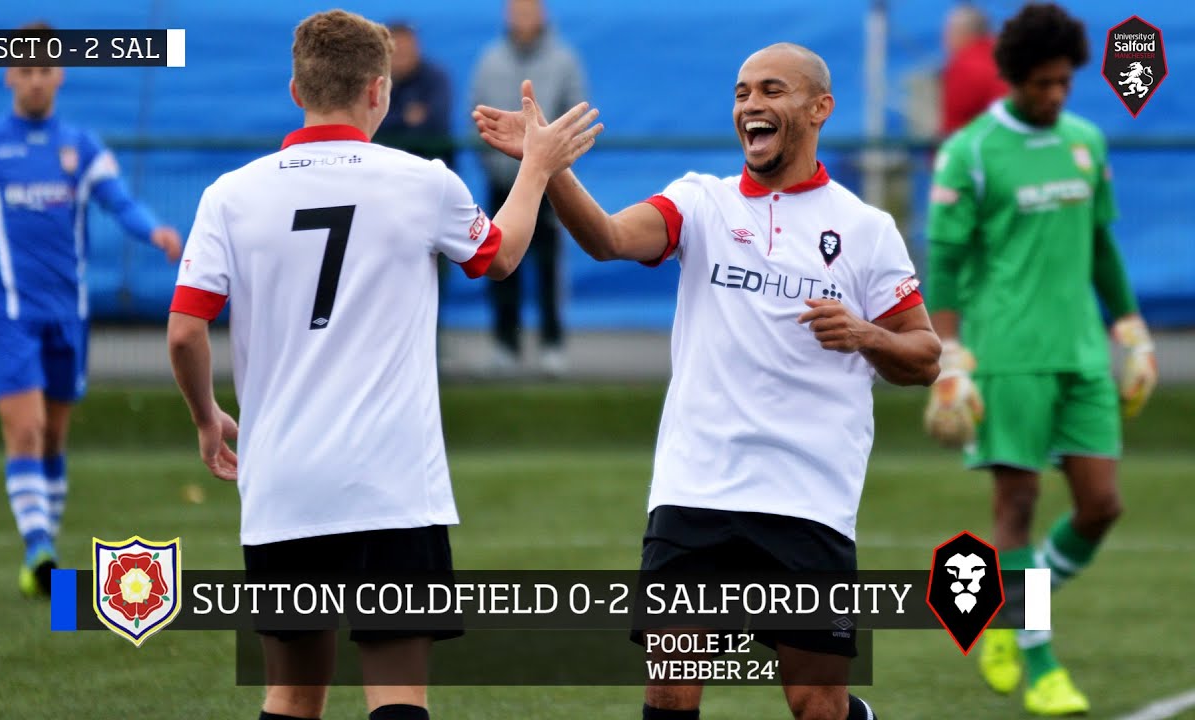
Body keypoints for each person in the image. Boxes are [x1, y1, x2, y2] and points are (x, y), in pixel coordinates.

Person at [475, 43, 941, 720]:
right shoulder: (700, 203)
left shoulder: (866, 230)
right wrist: (548, 170)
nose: (751, 105)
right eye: (741, 92)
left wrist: (866, 333)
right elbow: (606, 238)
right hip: (696, 490)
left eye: (771, 90)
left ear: (819, 109)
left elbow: (924, 356)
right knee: (670, 689)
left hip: (808, 498)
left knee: (815, 702)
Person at [166, 10, 600, 720]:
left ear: (294, 88)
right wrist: (538, 165)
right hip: (392, 484)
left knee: (291, 694)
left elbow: (186, 332)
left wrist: (206, 418)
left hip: (283, 484)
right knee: (398, 696)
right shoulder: (420, 180)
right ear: (380, 91)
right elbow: (502, 256)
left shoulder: (230, 195)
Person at [923, 3, 1157, 715]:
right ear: (1014, 79)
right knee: (1017, 504)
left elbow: (1101, 245)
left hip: (1082, 352)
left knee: (1101, 505)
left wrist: (1131, 329)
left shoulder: (1087, 142)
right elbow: (947, 260)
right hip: (1005, 353)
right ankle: (1043, 663)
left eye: (1065, 82)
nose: (1056, 95)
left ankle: (1002, 611)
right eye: (1042, 84)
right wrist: (950, 355)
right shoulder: (971, 151)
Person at [0, 21, 182, 599]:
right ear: (9, 76)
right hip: (4, 312)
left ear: (60, 74)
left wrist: (156, 233)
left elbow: (119, 203)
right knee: (26, 430)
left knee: (53, 438)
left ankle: (45, 541)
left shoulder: (82, 146)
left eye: (44, 69)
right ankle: (39, 552)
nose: (35, 80)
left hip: (66, 312)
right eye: (24, 70)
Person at [471, 0, 587, 375]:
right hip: (502, 182)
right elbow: (477, 112)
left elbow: (576, 112)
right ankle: (506, 345)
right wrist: (498, 164)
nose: (522, 18)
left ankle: (552, 345)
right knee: (499, 262)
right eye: (516, 11)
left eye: (528, 10)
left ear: (542, 15)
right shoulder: (490, 59)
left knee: (549, 265)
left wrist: (550, 163)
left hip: (549, 186)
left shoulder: (563, 59)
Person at [372, 21, 454, 168]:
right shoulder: (374, 80)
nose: (403, 53)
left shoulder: (435, 77)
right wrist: (403, 118)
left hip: (429, 165)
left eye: (407, 47)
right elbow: (370, 122)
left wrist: (391, 121)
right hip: (384, 167)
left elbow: (437, 122)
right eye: (398, 49)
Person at [940, 5, 1008, 137]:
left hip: (978, 146)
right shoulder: (1003, 56)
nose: (945, 39)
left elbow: (954, 123)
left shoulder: (964, 66)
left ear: (962, 32)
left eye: (948, 32)